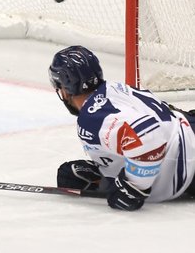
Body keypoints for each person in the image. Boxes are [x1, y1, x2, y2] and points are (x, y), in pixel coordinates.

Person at [50, 45, 195, 210]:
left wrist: (134, 187)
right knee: (69, 176)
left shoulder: (91, 119)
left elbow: (149, 136)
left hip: (190, 161)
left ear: (66, 90)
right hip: (188, 126)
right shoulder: (114, 88)